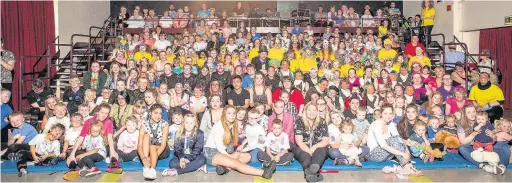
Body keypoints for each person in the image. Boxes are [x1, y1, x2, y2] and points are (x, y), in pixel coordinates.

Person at [203, 105, 276, 179]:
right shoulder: (219, 125)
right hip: (212, 153)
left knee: (247, 156)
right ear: (224, 114)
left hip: (224, 152)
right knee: (236, 163)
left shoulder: (232, 125)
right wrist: (231, 157)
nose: (232, 116)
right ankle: (264, 172)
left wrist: (237, 152)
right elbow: (219, 147)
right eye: (229, 113)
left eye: (233, 113)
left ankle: (226, 168)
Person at [367, 103, 422, 176]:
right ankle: (406, 166)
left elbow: (400, 140)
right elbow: (383, 145)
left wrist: (407, 152)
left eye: (390, 113)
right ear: (381, 114)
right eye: (385, 113)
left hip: (388, 155)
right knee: (393, 139)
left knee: (397, 139)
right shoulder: (375, 125)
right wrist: (402, 153)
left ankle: (408, 165)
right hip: (374, 155)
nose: (388, 116)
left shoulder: (391, 124)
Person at [458, 105, 509, 175]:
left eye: (473, 111)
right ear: (465, 114)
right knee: (462, 148)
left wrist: (493, 136)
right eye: (469, 112)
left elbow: (495, 139)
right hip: (475, 148)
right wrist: (473, 134)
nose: (472, 114)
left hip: (488, 146)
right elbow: (463, 142)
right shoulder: (461, 125)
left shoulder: (485, 120)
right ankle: (483, 166)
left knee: (505, 146)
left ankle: (501, 166)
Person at [292, 102, 329, 182]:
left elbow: (326, 140)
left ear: (317, 111)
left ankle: (311, 171)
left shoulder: (322, 121)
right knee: (303, 154)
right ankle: (314, 173)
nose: (312, 112)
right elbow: (299, 141)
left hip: (317, 148)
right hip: (303, 147)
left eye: (314, 110)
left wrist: (314, 148)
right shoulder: (300, 121)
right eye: (309, 110)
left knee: (322, 150)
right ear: (305, 111)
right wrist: (309, 151)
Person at [138, 104, 170, 180]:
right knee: (146, 136)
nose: (158, 116)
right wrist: (144, 159)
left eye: (160, 113)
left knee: (153, 147)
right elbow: (139, 145)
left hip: (161, 150)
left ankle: (152, 169)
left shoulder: (165, 124)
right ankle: (146, 167)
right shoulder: (144, 125)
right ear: (150, 113)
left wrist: (151, 158)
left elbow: (163, 145)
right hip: (147, 150)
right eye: (155, 113)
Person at [0, 38, 15, 108]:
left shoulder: (9, 54)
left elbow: (10, 68)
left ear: (2, 44)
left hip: (5, 81)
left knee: (7, 100)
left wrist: (1, 61)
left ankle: (11, 117)